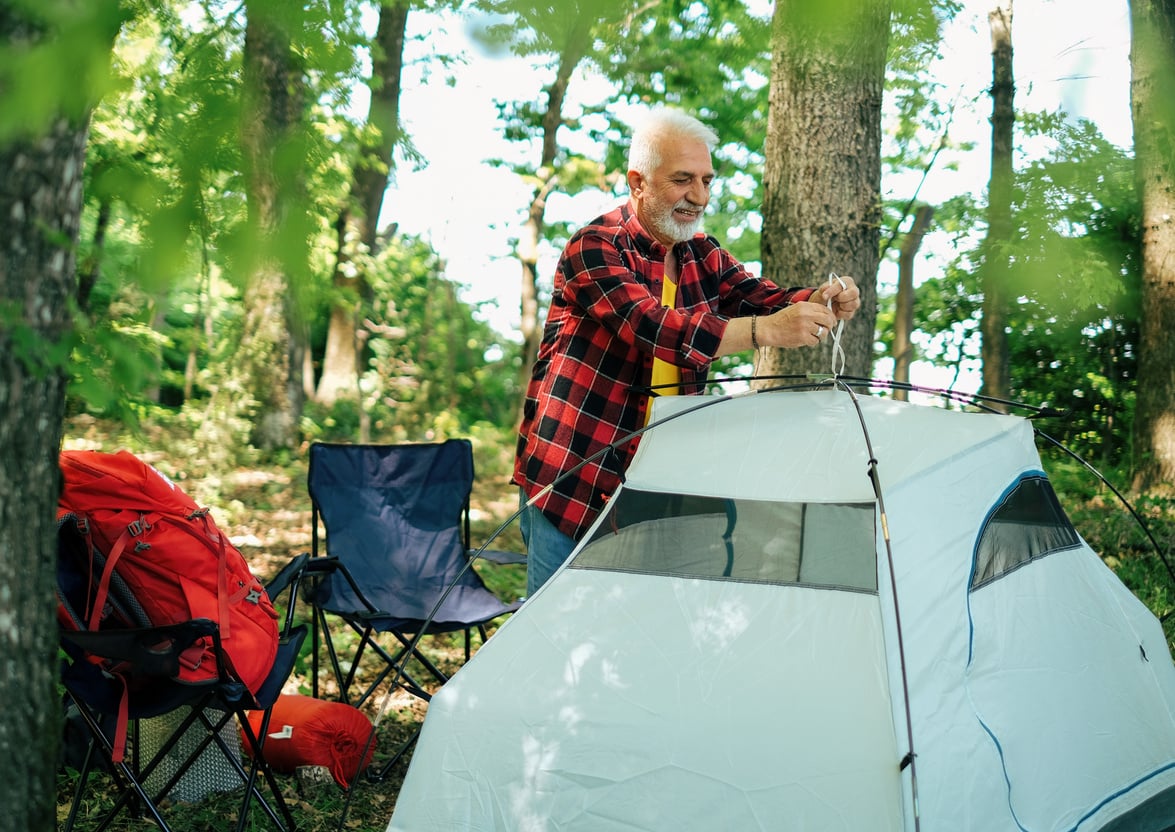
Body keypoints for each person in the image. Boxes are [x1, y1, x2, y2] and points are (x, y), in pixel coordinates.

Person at [513, 107, 861, 596]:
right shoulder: (595, 247)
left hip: (659, 484)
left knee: (639, 641)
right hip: (576, 479)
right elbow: (655, 328)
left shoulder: (704, 254)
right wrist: (766, 331)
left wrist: (820, 298)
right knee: (550, 643)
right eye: (682, 180)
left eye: (706, 180)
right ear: (638, 182)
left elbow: (767, 298)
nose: (698, 196)